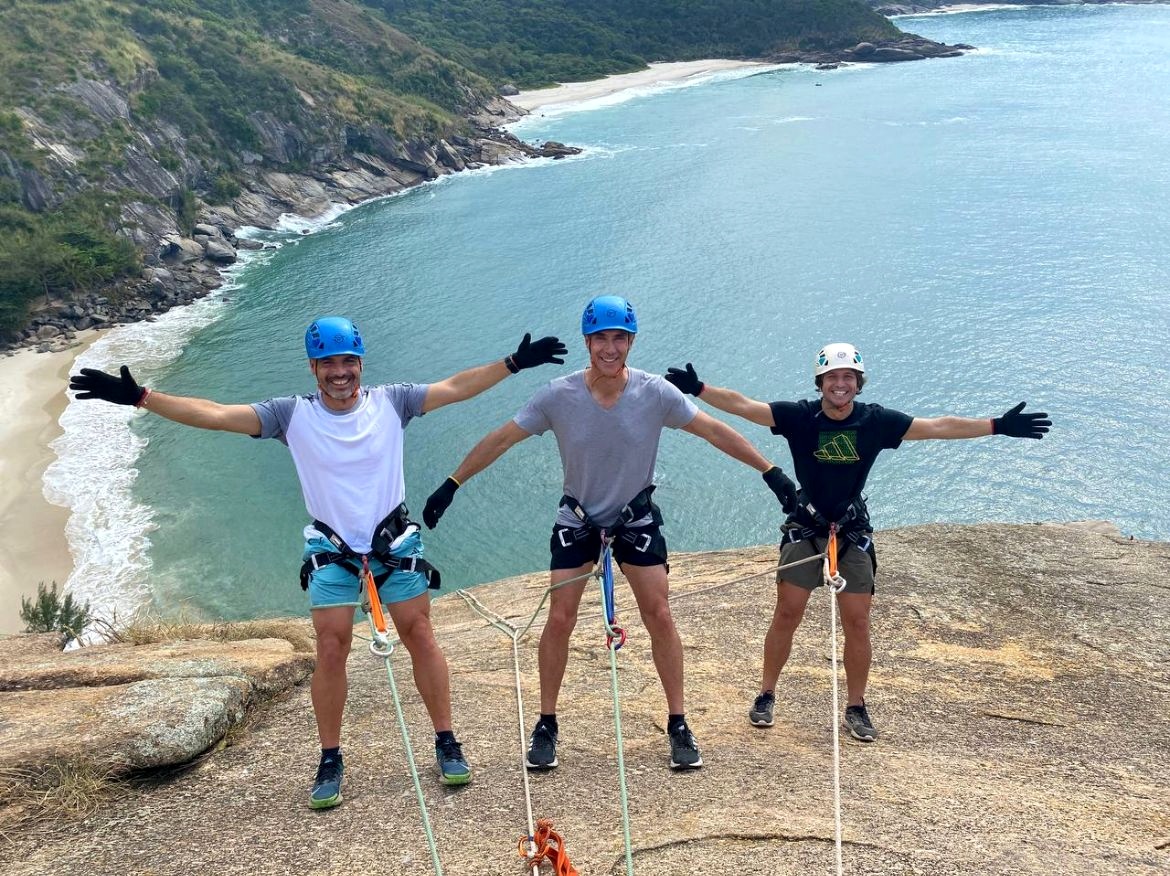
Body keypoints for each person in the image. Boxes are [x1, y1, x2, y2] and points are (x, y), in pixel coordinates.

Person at [68, 317, 567, 808]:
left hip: (394, 544)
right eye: (328, 362)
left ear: (360, 363)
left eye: (348, 360)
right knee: (331, 648)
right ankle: (330, 756)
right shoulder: (290, 415)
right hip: (331, 551)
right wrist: (142, 398)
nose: (340, 371)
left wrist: (513, 363)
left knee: (420, 636)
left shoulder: (393, 402)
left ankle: (446, 740)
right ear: (313, 367)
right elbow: (215, 414)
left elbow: (456, 386)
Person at [421, 295, 799, 771]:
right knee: (560, 619)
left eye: (619, 338)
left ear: (631, 341)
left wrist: (771, 473)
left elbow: (714, 430)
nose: (610, 347)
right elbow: (502, 438)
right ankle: (547, 723)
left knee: (659, 613)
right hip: (578, 517)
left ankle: (678, 722)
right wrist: (453, 483)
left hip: (635, 518)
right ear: (587, 341)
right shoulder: (557, 395)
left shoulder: (655, 393)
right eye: (601, 337)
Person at [664, 343, 1051, 741]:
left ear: (858, 383)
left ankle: (856, 705)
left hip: (851, 531)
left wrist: (996, 426)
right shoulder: (800, 417)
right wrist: (700, 389)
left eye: (848, 377)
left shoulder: (875, 421)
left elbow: (938, 426)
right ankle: (766, 693)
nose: (840, 384)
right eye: (832, 377)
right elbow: (746, 406)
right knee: (786, 614)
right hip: (807, 527)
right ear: (821, 383)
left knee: (858, 622)